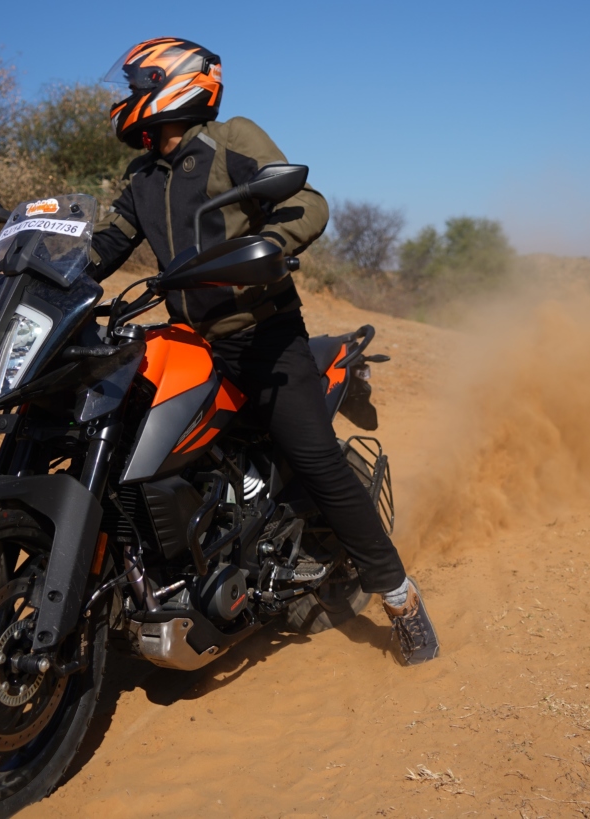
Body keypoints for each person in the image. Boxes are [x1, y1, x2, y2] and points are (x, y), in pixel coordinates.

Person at [92, 37, 438, 665]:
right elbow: (105, 245)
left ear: (176, 83)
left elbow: (306, 202)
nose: (127, 96)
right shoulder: (142, 177)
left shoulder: (230, 140)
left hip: (263, 337)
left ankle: (399, 596)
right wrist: (42, 270)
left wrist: (270, 244)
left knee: (316, 459)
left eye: (137, 84)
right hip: (192, 341)